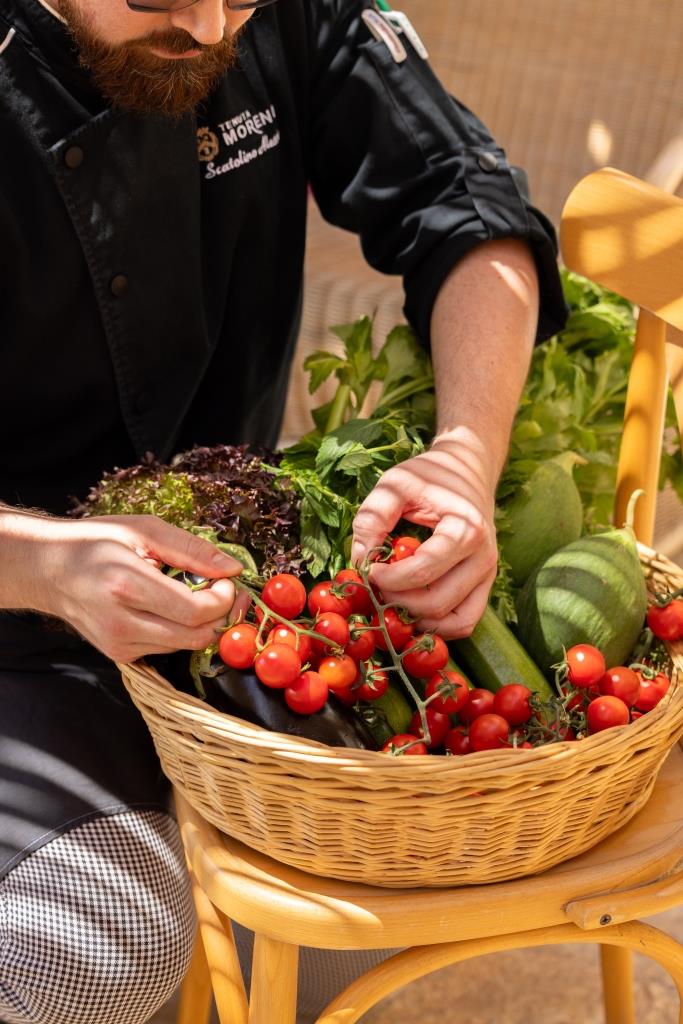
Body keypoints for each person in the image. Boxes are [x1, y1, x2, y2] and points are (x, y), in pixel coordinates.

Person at [0, 0, 567, 1020]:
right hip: (14, 631)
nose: (213, 26)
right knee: (83, 959)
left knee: (361, 932)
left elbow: (464, 197)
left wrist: (465, 454)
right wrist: (45, 563)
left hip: (248, 607)